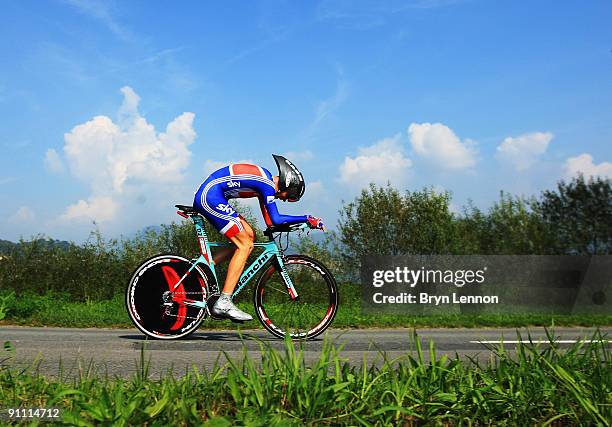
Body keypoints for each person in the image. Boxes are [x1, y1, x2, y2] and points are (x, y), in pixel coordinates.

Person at [193, 154, 324, 322]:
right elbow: (276, 219)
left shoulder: (265, 184)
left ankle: (201, 270)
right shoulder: (267, 185)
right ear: (287, 184)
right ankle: (224, 301)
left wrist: (297, 224)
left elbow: (270, 222)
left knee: (248, 237)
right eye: (289, 195)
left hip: (213, 195)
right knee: (245, 244)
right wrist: (306, 218)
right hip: (210, 196)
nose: (284, 199)